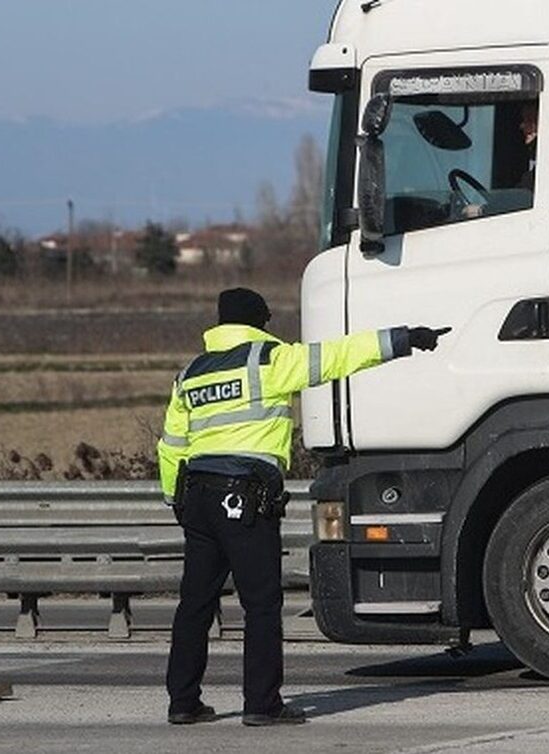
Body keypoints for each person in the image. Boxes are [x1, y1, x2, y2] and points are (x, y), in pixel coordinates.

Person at [159, 287, 449, 727]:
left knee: (195, 602)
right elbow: (339, 356)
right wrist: (404, 338)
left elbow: (171, 445)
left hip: (196, 495)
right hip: (244, 493)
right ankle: (262, 704)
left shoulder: (191, 373)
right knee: (260, 603)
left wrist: (174, 500)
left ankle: (182, 701)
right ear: (258, 321)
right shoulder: (266, 362)